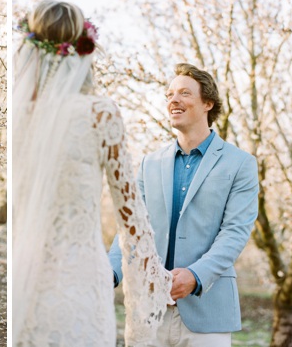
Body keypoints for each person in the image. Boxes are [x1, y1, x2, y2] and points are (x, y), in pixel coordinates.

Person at [13, 0, 173, 347]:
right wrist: (151, 279)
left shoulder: (14, 117)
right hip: (78, 284)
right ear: (84, 50)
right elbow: (131, 213)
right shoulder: (99, 113)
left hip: (19, 281)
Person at [108, 63, 259, 346]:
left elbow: (235, 232)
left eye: (184, 93)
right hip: (149, 313)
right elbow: (131, 228)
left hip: (208, 312)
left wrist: (196, 275)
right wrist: (110, 271)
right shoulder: (148, 163)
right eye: (169, 95)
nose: (173, 100)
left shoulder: (241, 164)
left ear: (207, 103)